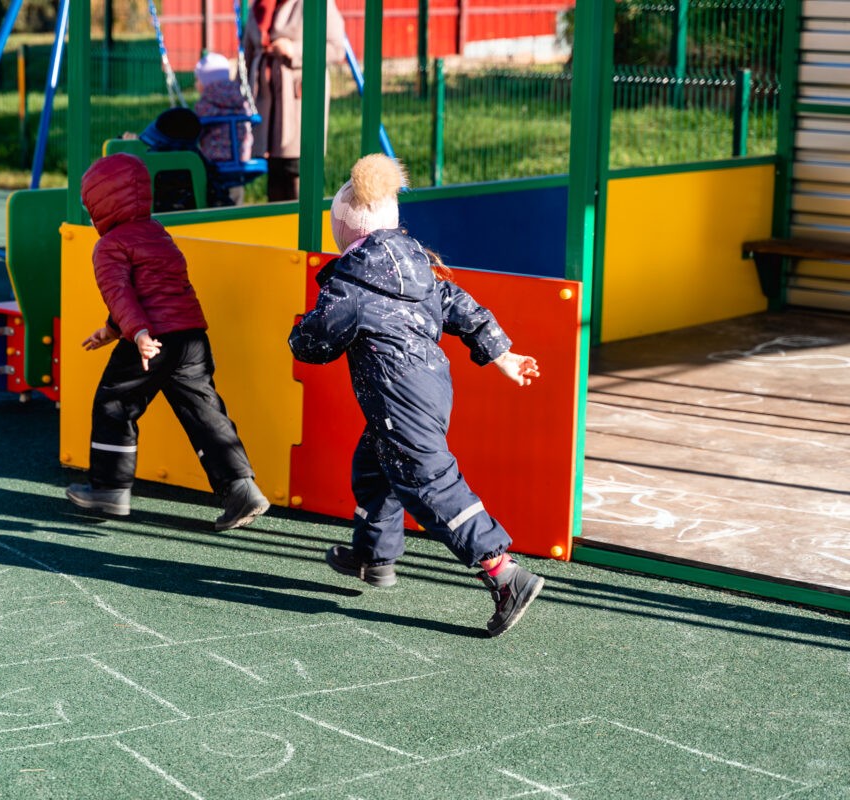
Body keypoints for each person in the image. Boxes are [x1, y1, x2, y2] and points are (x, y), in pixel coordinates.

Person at [287, 154, 544, 637]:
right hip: (428, 387)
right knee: (375, 466)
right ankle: (373, 555)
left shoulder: (350, 284)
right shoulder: (418, 267)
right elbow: (459, 305)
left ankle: (503, 573)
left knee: (431, 483)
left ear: (345, 232)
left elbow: (316, 344)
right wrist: (502, 354)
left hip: (396, 395)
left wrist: (298, 333)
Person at [66, 152, 271, 531]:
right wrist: (112, 330)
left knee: (115, 403)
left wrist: (138, 333)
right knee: (204, 411)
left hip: (153, 339)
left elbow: (120, 294)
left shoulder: (110, 245)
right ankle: (241, 488)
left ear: (101, 205)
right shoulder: (157, 231)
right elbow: (163, 287)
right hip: (191, 336)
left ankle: (110, 489)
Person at [243, 0, 345, 202]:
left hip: (297, 99)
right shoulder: (259, 7)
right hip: (267, 101)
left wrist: (294, 50)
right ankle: (278, 225)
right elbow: (247, 53)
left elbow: (336, 48)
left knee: (296, 168)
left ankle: (301, 222)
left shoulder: (315, 5)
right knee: (275, 171)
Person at [193, 52, 253, 205]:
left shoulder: (204, 105)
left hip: (213, 161)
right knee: (236, 193)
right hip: (239, 157)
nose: (195, 84)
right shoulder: (240, 99)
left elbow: (194, 130)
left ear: (205, 82)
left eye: (197, 80)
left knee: (213, 195)